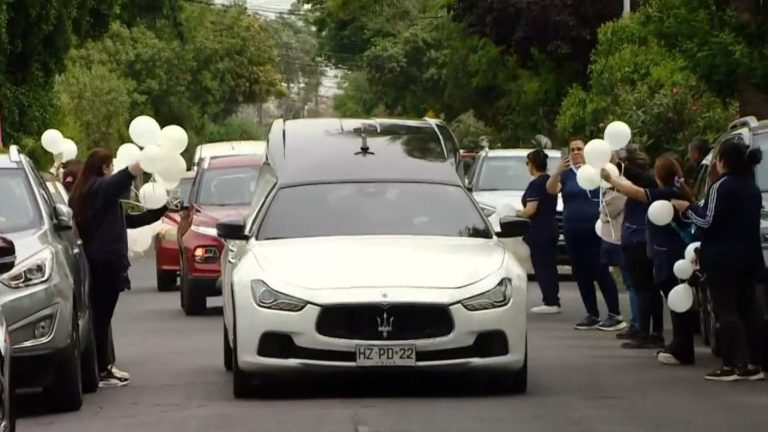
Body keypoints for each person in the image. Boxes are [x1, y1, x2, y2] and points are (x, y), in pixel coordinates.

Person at [68, 148, 167, 387]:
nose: (112, 170)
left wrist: (161, 211)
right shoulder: (96, 189)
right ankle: (102, 369)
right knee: (101, 318)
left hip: (102, 262)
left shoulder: (92, 194)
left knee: (101, 316)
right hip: (104, 263)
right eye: (110, 165)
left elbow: (128, 221)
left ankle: (102, 366)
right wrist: (136, 167)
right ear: (104, 168)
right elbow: (115, 183)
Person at [672, 137, 765, 381]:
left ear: (722, 161)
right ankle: (754, 363)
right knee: (749, 311)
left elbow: (707, 220)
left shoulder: (721, 186)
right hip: (750, 257)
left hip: (723, 259)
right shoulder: (752, 188)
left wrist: (687, 209)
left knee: (726, 310)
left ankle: (732, 364)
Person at [605, 154, 699, 360]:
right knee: (674, 299)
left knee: (675, 300)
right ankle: (678, 343)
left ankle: (682, 348)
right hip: (669, 254)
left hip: (669, 255)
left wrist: (612, 178)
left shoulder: (666, 192)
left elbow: (639, 193)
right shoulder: (676, 189)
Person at [546, 139, 627, 331]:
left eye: (579, 149)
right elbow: (551, 189)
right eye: (572, 150)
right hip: (573, 230)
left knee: (600, 270)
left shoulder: (597, 170)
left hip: (596, 229)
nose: (575, 152)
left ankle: (615, 313)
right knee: (581, 273)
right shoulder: (567, 174)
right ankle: (592, 313)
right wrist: (557, 171)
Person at [597, 154, 640, 339]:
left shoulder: (621, 187)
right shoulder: (626, 185)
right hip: (625, 239)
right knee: (632, 283)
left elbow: (608, 210)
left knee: (632, 284)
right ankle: (638, 323)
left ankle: (638, 324)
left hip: (623, 240)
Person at [517, 149, 560, 314]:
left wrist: (516, 214)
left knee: (542, 266)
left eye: (527, 163)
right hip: (551, 227)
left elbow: (531, 209)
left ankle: (550, 301)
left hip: (539, 230)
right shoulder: (550, 181)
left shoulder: (535, 185)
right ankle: (553, 298)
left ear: (532, 165)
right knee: (550, 265)